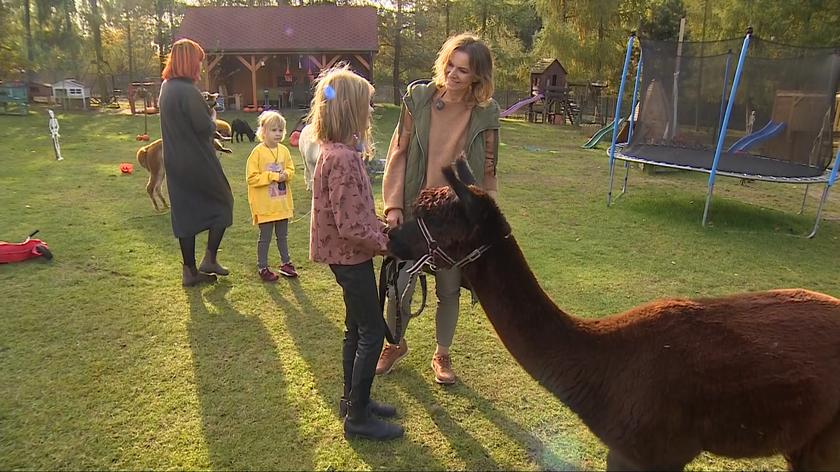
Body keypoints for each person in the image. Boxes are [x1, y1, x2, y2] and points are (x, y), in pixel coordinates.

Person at [377, 33, 500, 384]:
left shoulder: (486, 113)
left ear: (478, 77)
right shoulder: (418, 99)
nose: (454, 74)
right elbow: (398, 153)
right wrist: (394, 205)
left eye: (464, 70)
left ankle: (442, 354)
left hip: (455, 217)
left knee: (449, 288)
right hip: (416, 212)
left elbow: (489, 167)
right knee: (400, 284)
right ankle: (395, 343)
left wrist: (485, 216)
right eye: (450, 65)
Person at [309, 64, 404, 441]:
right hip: (351, 257)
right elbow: (351, 226)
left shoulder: (335, 152)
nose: (370, 112)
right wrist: (386, 244)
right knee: (371, 333)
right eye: (367, 106)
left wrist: (379, 226)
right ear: (350, 109)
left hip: (344, 255)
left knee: (355, 329)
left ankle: (354, 401)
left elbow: (354, 211)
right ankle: (358, 417)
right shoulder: (344, 158)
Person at [159, 38, 234, 287]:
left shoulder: (167, 87)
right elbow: (204, 127)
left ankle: (189, 271)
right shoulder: (187, 90)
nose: (200, 68)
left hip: (175, 163)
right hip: (197, 161)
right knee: (224, 201)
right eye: (199, 62)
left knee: (185, 213)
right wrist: (212, 115)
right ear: (189, 62)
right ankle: (209, 258)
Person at [246, 110, 299, 281]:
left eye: (280, 130)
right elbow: (252, 178)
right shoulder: (257, 153)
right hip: (265, 206)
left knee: (282, 236)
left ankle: (286, 263)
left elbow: (291, 169)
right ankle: (263, 267)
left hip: (282, 204)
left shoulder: (284, 150)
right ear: (263, 131)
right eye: (273, 130)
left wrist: (287, 174)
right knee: (265, 237)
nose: (277, 134)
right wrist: (273, 176)